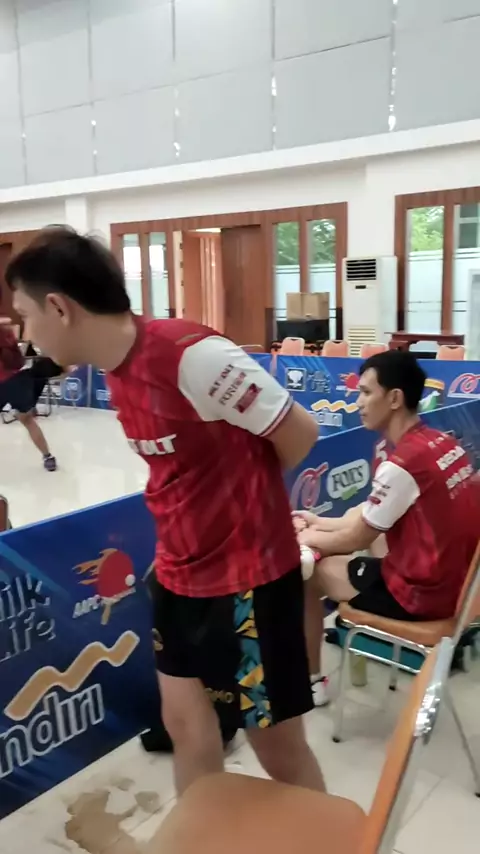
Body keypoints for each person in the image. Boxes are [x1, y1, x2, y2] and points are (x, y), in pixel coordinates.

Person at [5, 227, 326, 796]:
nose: (24, 335)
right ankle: (202, 832)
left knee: (278, 749)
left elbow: (299, 433)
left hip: (248, 580)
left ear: (59, 307)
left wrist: (242, 505)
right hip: (178, 575)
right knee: (186, 728)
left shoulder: (195, 358)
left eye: (24, 317)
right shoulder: (114, 372)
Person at [297, 350, 480, 684]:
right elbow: (369, 516)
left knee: (308, 573)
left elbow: (355, 538)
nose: (357, 402)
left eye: (366, 392)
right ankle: (354, 651)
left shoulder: (402, 465)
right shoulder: (442, 442)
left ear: (394, 398)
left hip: (426, 597)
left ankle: (312, 682)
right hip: (460, 585)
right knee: (365, 527)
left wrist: (304, 539)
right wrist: (318, 522)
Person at [0, 321, 58, 471]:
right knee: (28, 420)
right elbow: (18, 359)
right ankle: (48, 457)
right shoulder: (7, 332)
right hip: (17, 381)